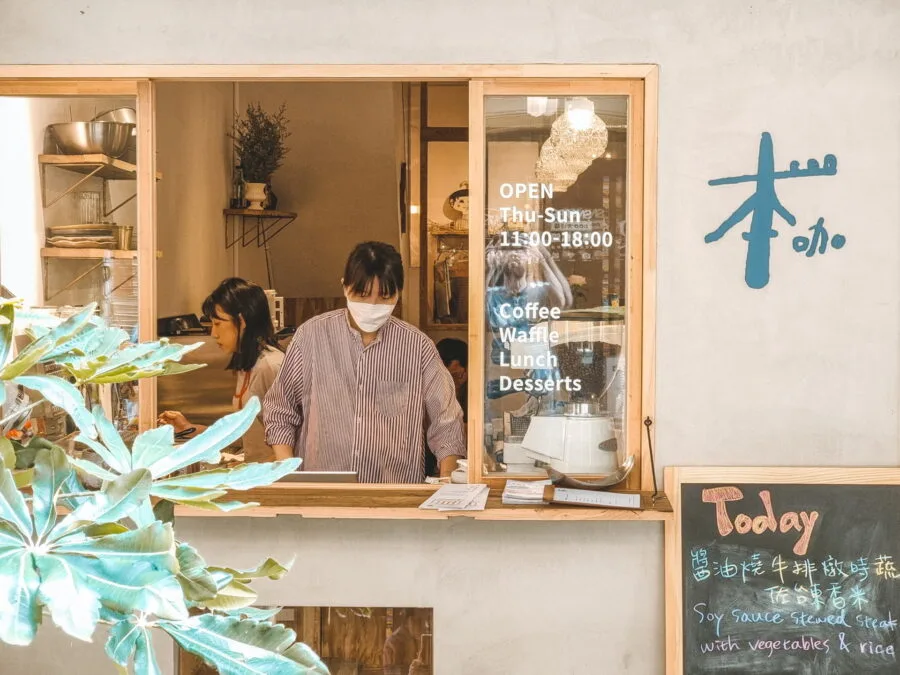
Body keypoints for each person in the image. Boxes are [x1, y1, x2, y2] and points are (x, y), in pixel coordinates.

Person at [264, 241, 465, 482]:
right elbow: (280, 409)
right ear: (345, 287)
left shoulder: (418, 346)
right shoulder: (311, 337)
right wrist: (289, 474)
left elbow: (446, 420)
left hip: (394, 493)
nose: (372, 305)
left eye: (385, 296)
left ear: (399, 293)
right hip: (320, 491)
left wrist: (448, 480)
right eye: (362, 294)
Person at [158, 278, 284, 463]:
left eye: (218, 324)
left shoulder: (271, 366)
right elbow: (247, 435)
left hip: (275, 484)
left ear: (242, 321)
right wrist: (188, 428)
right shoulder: (247, 366)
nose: (213, 333)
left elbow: (293, 443)